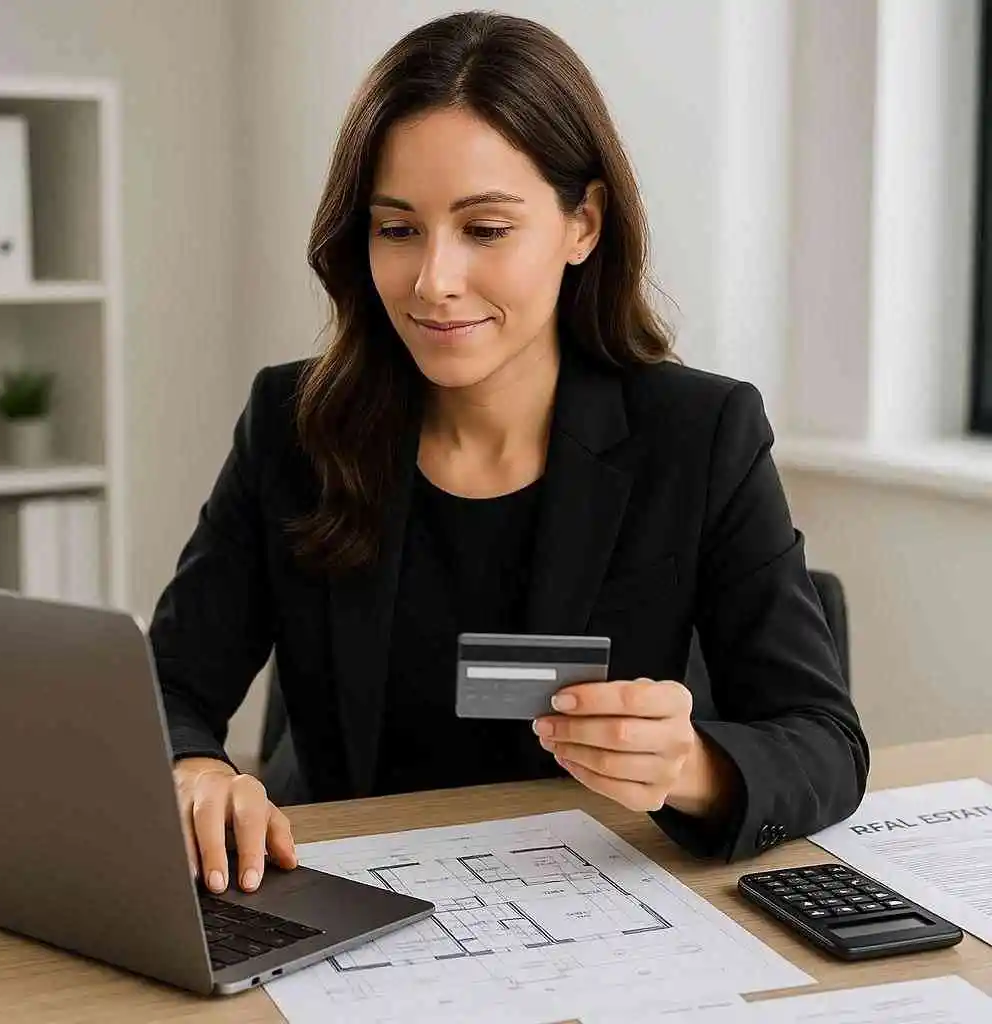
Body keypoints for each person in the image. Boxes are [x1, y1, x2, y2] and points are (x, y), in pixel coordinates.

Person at [150, 10, 868, 899]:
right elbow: (165, 687)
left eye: (485, 229)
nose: (432, 280)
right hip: (335, 893)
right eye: (398, 228)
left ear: (583, 225)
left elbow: (824, 741)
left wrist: (693, 764)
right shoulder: (293, 425)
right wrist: (194, 772)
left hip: (597, 909)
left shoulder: (701, 433)